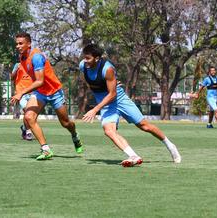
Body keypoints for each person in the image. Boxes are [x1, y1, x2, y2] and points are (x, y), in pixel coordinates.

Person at [79, 43, 181, 167]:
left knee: (144, 126)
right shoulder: (83, 66)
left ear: (97, 58)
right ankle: (133, 156)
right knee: (109, 131)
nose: (86, 61)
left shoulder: (107, 69)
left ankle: (170, 145)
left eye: (88, 58)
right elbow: (91, 81)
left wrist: (95, 109)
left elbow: (112, 94)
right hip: (106, 104)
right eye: (84, 57)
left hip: (118, 99)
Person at [10, 32, 83, 160]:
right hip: (40, 93)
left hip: (54, 92)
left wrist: (21, 93)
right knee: (28, 117)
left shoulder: (36, 57)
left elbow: (40, 81)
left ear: (29, 44)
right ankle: (46, 149)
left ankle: (75, 135)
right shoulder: (22, 58)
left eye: (21, 43)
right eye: (16, 44)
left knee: (66, 123)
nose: (18, 46)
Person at [10, 62, 34, 140]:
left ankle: (24, 128)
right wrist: (16, 70)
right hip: (21, 93)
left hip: (32, 93)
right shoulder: (17, 65)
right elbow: (12, 78)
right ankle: (28, 131)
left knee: (31, 115)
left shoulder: (34, 64)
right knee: (26, 110)